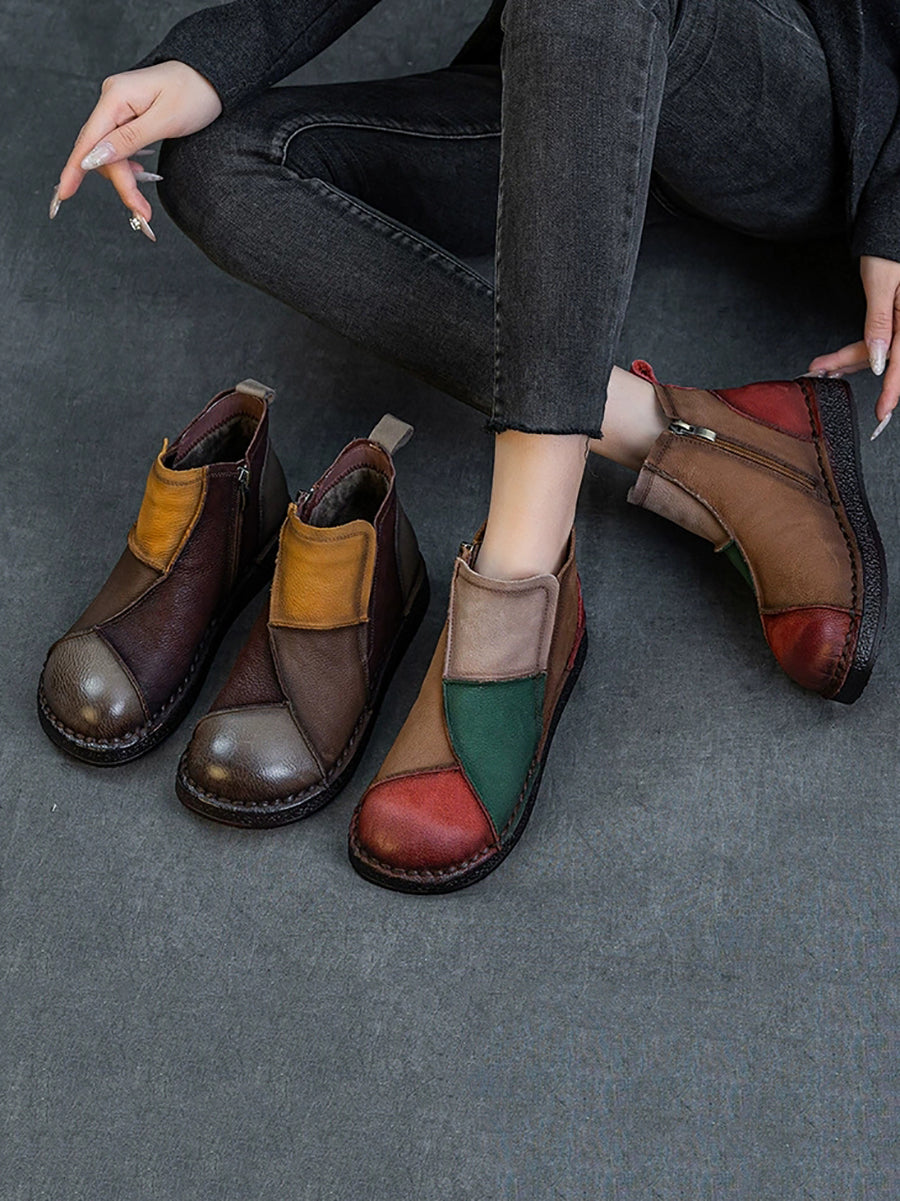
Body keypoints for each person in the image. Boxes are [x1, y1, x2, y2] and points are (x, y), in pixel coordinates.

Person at [44, 0, 895, 892]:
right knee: (219, 162)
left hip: (777, 96)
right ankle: (691, 436)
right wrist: (207, 63)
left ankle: (524, 567)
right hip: (572, 72)